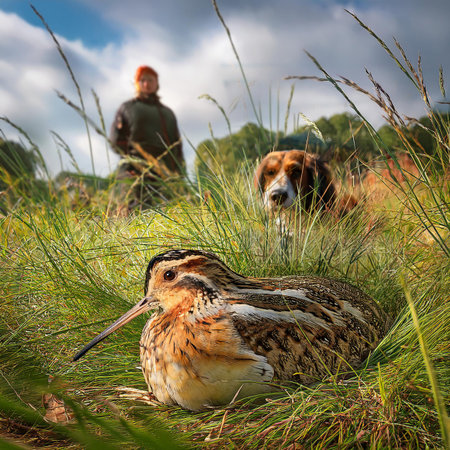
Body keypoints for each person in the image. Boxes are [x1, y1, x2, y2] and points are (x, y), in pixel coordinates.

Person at [110, 65, 185, 208]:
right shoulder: (127, 108)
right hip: (134, 172)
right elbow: (115, 141)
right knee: (134, 212)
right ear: (137, 84)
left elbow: (178, 147)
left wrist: (179, 174)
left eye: (150, 80)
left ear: (157, 83)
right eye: (142, 80)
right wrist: (130, 164)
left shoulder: (168, 114)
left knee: (166, 214)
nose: (146, 84)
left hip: (164, 174)